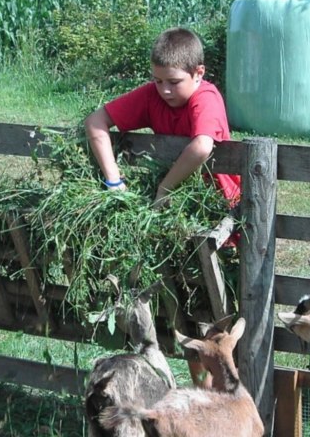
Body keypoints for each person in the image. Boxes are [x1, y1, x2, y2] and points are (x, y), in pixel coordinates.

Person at [84, 27, 241, 389]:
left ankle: (228, 395)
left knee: (219, 318)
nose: (164, 90)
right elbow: (96, 122)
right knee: (184, 312)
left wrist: (164, 188)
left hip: (219, 219)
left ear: (198, 73)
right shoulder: (153, 96)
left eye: (173, 82)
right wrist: (114, 181)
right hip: (176, 223)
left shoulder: (206, 98)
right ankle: (200, 393)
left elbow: (202, 147)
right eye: (157, 81)